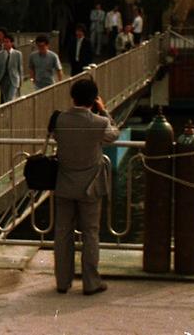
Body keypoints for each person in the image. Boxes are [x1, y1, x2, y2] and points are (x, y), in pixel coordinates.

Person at [52, 78, 119, 296]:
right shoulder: (98, 122)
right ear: (94, 99)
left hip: (63, 184)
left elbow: (55, 137)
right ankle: (91, 282)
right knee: (90, 233)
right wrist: (105, 111)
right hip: (90, 186)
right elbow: (113, 134)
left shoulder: (59, 119)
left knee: (62, 233)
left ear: (73, 97)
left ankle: (63, 281)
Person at [0, 32, 23, 103]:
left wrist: (21, 79)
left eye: (7, 42)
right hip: (3, 79)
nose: (5, 44)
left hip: (14, 79)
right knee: (5, 98)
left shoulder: (18, 54)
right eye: (4, 42)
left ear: (12, 43)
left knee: (10, 98)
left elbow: (20, 67)